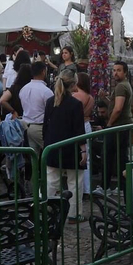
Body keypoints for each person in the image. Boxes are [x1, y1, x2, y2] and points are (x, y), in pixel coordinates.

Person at [42, 67, 86, 213]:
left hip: (52, 145)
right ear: (73, 85)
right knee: (75, 182)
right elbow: (79, 130)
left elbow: (45, 126)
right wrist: (83, 150)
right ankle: (74, 213)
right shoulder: (76, 105)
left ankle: (44, 208)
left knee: (51, 181)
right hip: (71, 147)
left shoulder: (50, 102)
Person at [103, 60, 133, 186]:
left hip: (118, 126)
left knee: (108, 156)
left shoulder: (121, 86)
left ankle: (106, 186)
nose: (115, 73)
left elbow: (118, 108)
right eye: (114, 70)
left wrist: (109, 124)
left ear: (125, 72)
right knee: (121, 157)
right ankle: (122, 186)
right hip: (123, 125)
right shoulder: (125, 85)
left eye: (119, 70)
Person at [19, 61, 54, 152]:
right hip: (39, 127)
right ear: (43, 71)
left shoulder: (24, 89)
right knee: (50, 152)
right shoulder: (46, 91)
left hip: (26, 125)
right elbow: (51, 110)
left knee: (33, 156)